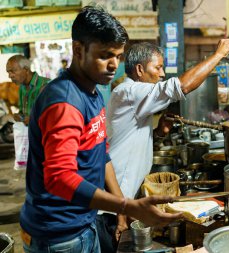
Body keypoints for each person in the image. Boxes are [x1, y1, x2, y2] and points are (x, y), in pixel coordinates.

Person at [19, 6, 181, 253]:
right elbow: (59, 178)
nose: (114, 65)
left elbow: (101, 154)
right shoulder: (64, 102)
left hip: (84, 223)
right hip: (59, 235)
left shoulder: (92, 93)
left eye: (118, 55)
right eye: (105, 55)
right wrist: (127, 205)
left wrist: (120, 211)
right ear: (78, 50)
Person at [107, 40, 229, 201]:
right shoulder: (130, 92)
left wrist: (159, 132)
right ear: (140, 69)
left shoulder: (132, 94)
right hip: (117, 195)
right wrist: (219, 54)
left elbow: (130, 139)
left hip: (125, 193)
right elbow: (182, 86)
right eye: (158, 67)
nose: (162, 74)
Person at [6, 55, 50, 125]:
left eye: (13, 71)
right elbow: (24, 113)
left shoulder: (46, 85)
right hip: (30, 133)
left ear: (26, 70)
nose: (10, 76)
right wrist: (20, 116)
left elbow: (53, 114)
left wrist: (34, 119)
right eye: (8, 72)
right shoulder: (22, 88)